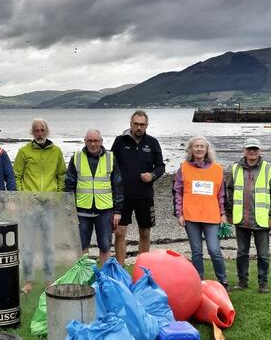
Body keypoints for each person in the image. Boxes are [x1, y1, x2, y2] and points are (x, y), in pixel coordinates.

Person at [13, 118, 66, 294]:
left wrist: (57, 197)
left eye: (42, 130)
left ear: (47, 131)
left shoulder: (56, 151)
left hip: (49, 205)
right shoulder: (24, 151)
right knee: (28, 245)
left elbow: (61, 175)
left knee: (48, 245)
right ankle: (28, 281)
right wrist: (23, 197)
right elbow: (17, 176)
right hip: (29, 204)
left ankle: (49, 281)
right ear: (32, 132)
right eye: (36, 130)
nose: (40, 133)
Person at [225, 137, 271, 293]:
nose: (252, 151)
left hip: (262, 220)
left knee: (263, 255)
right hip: (241, 219)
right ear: (244, 150)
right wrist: (229, 213)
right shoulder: (236, 168)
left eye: (255, 149)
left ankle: (263, 283)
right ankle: (242, 281)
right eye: (249, 149)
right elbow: (229, 191)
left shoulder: (270, 169)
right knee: (241, 253)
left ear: (260, 151)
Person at [110, 109, 165, 265]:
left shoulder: (152, 143)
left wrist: (152, 175)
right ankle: (120, 268)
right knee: (120, 232)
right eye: (136, 124)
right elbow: (110, 165)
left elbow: (161, 166)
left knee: (145, 232)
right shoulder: (120, 141)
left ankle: (142, 268)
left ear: (146, 125)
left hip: (145, 195)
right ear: (131, 124)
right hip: (123, 196)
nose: (139, 127)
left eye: (142, 124)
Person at [174, 136, 229, 290]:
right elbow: (177, 192)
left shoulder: (217, 168)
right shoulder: (183, 168)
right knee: (196, 251)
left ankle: (223, 281)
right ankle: (199, 281)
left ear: (207, 149)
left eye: (202, 146)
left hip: (212, 216)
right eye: (196, 146)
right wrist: (179, 214)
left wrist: (223, 214)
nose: (199, 149)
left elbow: (221, 194)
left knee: (214, 250)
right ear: (191, 149)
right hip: (191, 216)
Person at [65, 129, 123, 266]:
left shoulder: (110, 158)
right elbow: (69, 185)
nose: (93, 144)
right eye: (90, 141)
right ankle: (85, 279)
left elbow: (118, 185)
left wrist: (118, 211)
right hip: (82, 210)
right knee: (82, 246)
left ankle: (104, 278)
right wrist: (69, 209)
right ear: (85, 141)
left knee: (105, 246)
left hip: (105, 210)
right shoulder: (77, 157)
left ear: (101, 141)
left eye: (96, 140)